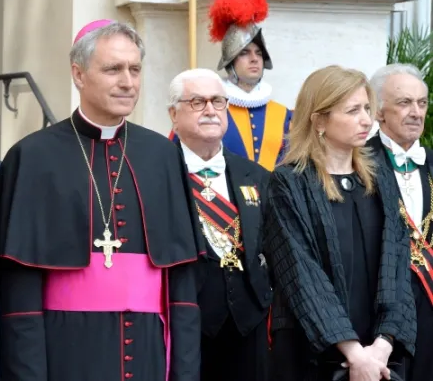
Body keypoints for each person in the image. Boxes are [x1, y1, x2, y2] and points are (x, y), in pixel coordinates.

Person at [0, 19, 204, 381]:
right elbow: (20, 299)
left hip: (148, 352)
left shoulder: (162, 155)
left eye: (135, 69)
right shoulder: (33, 157)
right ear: (78, 74)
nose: (128, 81)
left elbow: (182, 288)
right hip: (66, 351)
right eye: (113, 69)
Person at [263, 65, 416, 381]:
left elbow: (399, 266)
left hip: (378, 357)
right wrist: (353, 353)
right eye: (353, 110)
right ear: (319, 120)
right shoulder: (289, 183)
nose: (367, 120)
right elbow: (300, 273)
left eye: (367, 109)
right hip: (312, 356)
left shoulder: (380, 179)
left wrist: (382, 345)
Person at [167, 68, 272, 381]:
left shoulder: (256, 175)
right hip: (187, 321)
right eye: (197, 102)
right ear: (174, 114)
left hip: (250, 324)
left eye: (218, 101)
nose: (211, 110)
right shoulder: (159, 171)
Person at [366, 63, 432, 381]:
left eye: (422, 103)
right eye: (404, 103)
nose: (416, 112)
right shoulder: (359, 162)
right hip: (382, 312)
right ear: (379, 112)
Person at [204, 0, 292, 171]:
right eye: (244, 53)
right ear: (231, 62)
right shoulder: (209, 110)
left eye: (258, 53)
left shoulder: (285, 116)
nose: (254, 59)